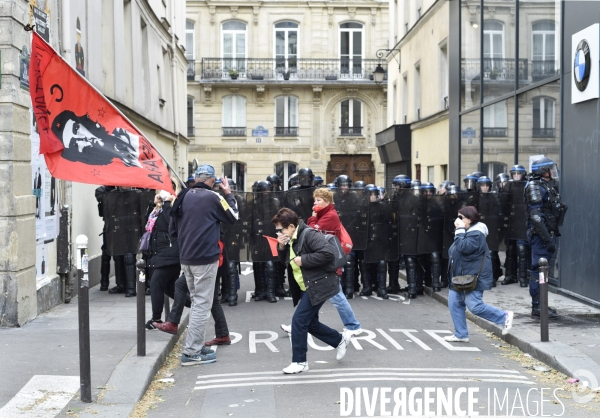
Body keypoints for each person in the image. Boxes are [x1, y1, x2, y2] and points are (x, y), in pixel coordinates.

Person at [169, 164, 239, 366]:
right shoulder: (213, 197)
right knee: (202, 304)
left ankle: (196, 346)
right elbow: (233, 217)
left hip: (186, 257)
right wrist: (229, 194)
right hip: (205, 257)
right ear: (211, 180)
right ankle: (192, 352)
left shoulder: (183, 196)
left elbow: (173, 229)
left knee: (198, 301)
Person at [273, 208, 351, 374]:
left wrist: (304, 259)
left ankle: (300, 362)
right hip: (306, 285)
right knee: (310, 323)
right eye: (277, 230)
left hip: (318, 284)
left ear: (292, 226)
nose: (279, 232)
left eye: (281, 229)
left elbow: (327, 254)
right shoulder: (292, 237)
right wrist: (281, 246)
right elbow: (285, 261)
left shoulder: (308, 235)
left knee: (299, 321)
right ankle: (339, 340)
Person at [445, 206, 514, 342]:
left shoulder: (476, 234)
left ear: (470, 219)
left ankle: (504, 317)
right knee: (454, 303)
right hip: (460, 277)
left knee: (475, 306)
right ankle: (461, 334)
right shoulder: (466, 232)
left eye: (461, 217)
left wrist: (459, 230)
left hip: (472, 277)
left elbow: (464, 248)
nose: (457, 220)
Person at [301, 188, 363, 332]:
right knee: (313, 294)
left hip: (328, 262)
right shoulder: (324, 214)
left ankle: (353, 326)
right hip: (324, 260)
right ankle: (301, 323)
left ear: (327, 201)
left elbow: (311, 232)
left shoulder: (330, 215)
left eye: (319, 200)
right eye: (315, 200)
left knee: (336, 296)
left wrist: (312, 217)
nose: (315, 203)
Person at [525, 157, 566, 319]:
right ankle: (537, 307)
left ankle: (542, 304)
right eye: (550, 169)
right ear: (543, 171)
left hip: (547, 234)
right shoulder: (535, 187)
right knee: (538, 270)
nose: (552, 172)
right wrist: (547, 240)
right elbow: (536, 218)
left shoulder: (545, 186)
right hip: (540, 237)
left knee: (544, 270)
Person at [145, 190, 182, 330]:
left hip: (170, 254)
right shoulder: (157, 211)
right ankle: (199, 306)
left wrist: (167, 203)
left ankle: (156, 319)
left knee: (156, 284)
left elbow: (171, 223)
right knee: (170, 289)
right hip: (160, 254)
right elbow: (148, 225)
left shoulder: (174, 208)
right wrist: (154, 205)